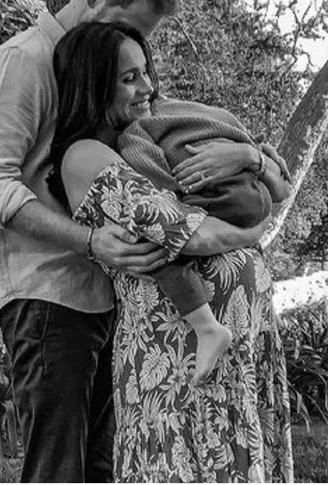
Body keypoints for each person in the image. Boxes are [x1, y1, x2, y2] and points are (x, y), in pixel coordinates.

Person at [0, 0, 179, 483]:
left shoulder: (97, 66)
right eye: (127, 26)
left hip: (103, 292)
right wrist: (88, 241)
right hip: (45, 297)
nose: (129, 44)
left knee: (102, 467)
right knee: (59, 470)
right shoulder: (21, 62)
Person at [48, 21, 294, 482]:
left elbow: (274, 185)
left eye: (146, 71)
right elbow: (190, 234)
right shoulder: (84, 156)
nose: (147, 87)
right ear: (91, 86)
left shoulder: (154, 140)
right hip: (176, 362)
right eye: (129, 78)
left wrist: (249, 158)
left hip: (236, 356)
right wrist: (257, 227)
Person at [118, 98, 291, 382]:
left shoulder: (136, 131)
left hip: (223, 196)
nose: (143, 87)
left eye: (138, 77)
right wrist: (258, 156)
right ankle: (263, 303)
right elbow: (279, 185)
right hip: (254, 192)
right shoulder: (200, 112)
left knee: (156, 243)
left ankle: (206, 327)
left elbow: (159, 196)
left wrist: (176, 199)